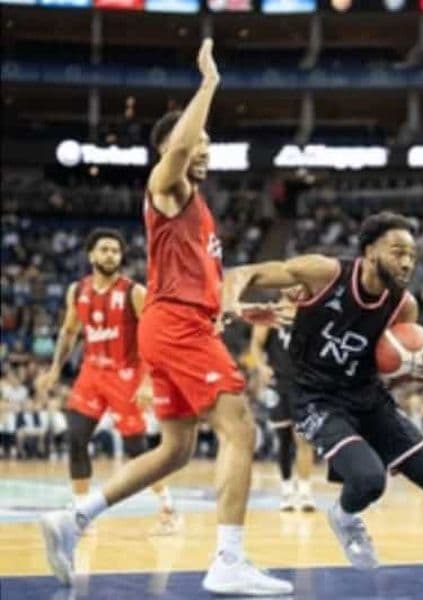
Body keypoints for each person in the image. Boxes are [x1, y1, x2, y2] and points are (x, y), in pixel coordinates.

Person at [39, 39, 292, 596]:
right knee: (240, 429)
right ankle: (229, 558)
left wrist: (244, 306)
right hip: (175, 325)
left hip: (179, 322)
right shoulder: (166, 188)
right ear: (172, 148)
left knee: (176, 449)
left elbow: (198, 283)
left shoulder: (200, 212)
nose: (204, 148)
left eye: (207, 141)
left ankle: (73, 519)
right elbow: (174, 155)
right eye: (197, 140)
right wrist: (208, 86)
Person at [224, 211, 423, 590]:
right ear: (369, 252)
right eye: (398, 251)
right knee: (370, 479)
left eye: (413, 256)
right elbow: (242, 273)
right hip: (315, 398)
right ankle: (346, 516)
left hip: (368, 397)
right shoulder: (324, 273)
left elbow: (393, 369)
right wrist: (230, 303)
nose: (406, 262)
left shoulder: (404, 307)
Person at [36, 229, 178, 535]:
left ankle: (167, 505)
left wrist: (148, 383)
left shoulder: (134, 292)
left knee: (137, 451)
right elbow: (68, 331)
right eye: (104, 250)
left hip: (126, 377)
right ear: (91, 255)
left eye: (115, 250)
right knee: (76, 438)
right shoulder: (77, 290)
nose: (111, 255)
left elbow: (153, 338)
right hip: (91, 374)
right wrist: (55, 368)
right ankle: (81, 513)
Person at [250, 289, 316, 511]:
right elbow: (256, 346)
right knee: (284, 439)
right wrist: (261, 366)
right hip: (278, 382)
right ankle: (287, 490)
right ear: (282, 287)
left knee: (304, 437)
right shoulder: (271, 314)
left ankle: (305, 492)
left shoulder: (309, 313)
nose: (297, 288)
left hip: (303, 384)